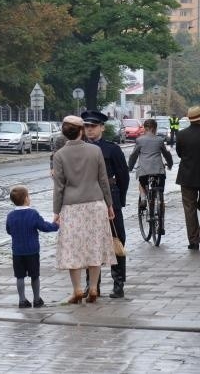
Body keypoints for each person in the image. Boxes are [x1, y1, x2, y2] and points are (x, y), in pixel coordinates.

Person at [52, 115, 117, 304]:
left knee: (74, 249)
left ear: (65, 133)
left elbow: (59, 186)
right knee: (95, 245)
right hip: (96, 204)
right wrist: (109, 204)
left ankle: (77, 290)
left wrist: (56, 212)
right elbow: (103, 180)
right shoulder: (95, 151)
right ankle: (94, 288)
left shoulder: (59, 155)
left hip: (71, 207)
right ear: (81, 131)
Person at [81, 109, 130, 299]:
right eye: (86, 126)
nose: (90, 130)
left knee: (117, 239)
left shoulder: (112, 149)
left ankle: (118, 284)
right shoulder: (81, 147)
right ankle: (92, 285)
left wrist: (119, 200)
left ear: (102, 127)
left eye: (93, 126)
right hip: (88, 199)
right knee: (90, 242)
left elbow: (123, 176)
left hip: (111, 198)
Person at [6, 185, 59, 308]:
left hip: (17, 252)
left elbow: (9, 230)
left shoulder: (10, 216)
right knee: (35, 275)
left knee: (19, 276)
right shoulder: (33, 213)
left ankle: (22, 300)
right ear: (26, 199)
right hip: (32, 251)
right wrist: (56, 225)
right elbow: (44, 226)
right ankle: (36, 299)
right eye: (28, 196)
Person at [128, 118, 173, 235]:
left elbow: (133, 155)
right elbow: (166, 154)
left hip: (144, 171)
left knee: (142, 184)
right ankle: (161, 224)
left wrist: (130, 167)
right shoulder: (159, 140)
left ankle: (143, 198)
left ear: (145, 128)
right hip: (159, 171)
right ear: (155, 128)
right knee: (160, 194)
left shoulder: (139, 140)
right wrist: (170, 164)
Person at [176, 106, 200, 250]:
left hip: (187, 176)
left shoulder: (181, 135)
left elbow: (179, 153)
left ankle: (193, 240)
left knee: (189, 208)